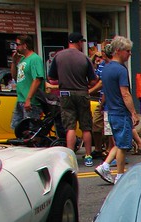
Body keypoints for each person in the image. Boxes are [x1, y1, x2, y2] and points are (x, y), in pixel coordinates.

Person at [94, 36, 139, 185]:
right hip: (120, 111)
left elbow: (105, 91)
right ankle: (120, 175)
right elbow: (125, 93)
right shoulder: (120, 70)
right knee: (123, 146)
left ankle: (105, 166)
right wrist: (133, 112)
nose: (129, 54)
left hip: (111, 110)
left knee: (119, 143)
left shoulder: (106, 69)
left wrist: (101, 106)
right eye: (127, 51)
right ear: (118, 51)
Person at [47, 32, 98, 165]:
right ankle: (88, 156)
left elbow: (51, 77)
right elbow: (93, 81)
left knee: (70, 127)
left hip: (65, 94)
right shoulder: (84, 58)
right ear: (79, 42)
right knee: (86, 127)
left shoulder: (58, 56)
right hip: (81, 93)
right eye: (82, 42)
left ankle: (71, 157)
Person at [9, 34, 45, 132]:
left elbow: (37, 79)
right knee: (18, 128)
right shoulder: (22, 59)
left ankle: (35, 146)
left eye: (18, 44)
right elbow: (15, 77)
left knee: (32, 129)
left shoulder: (35, 59)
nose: (16, 47)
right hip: (21, 99)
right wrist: (14, 62)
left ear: (25, 45)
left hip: (31, 101)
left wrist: (29, 99)